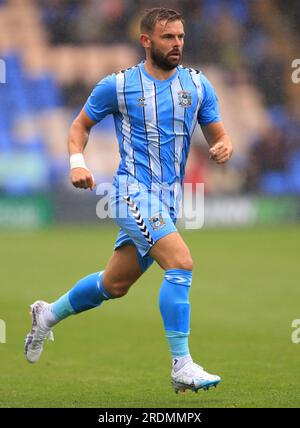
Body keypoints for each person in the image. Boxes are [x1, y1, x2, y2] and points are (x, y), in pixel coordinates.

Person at [25, 7, 233, 394]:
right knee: (181, 263)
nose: (177, 44)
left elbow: (220, 135)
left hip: (168, 201)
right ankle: (181, 364)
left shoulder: (198, 85)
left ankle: (46, 314)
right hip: (130, 193)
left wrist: (223, 146)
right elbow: (79, 127)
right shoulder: (118, 85)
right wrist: (76, 163)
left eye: (181, 37)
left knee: (113, 285)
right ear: (146, 40)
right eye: (169, 37)